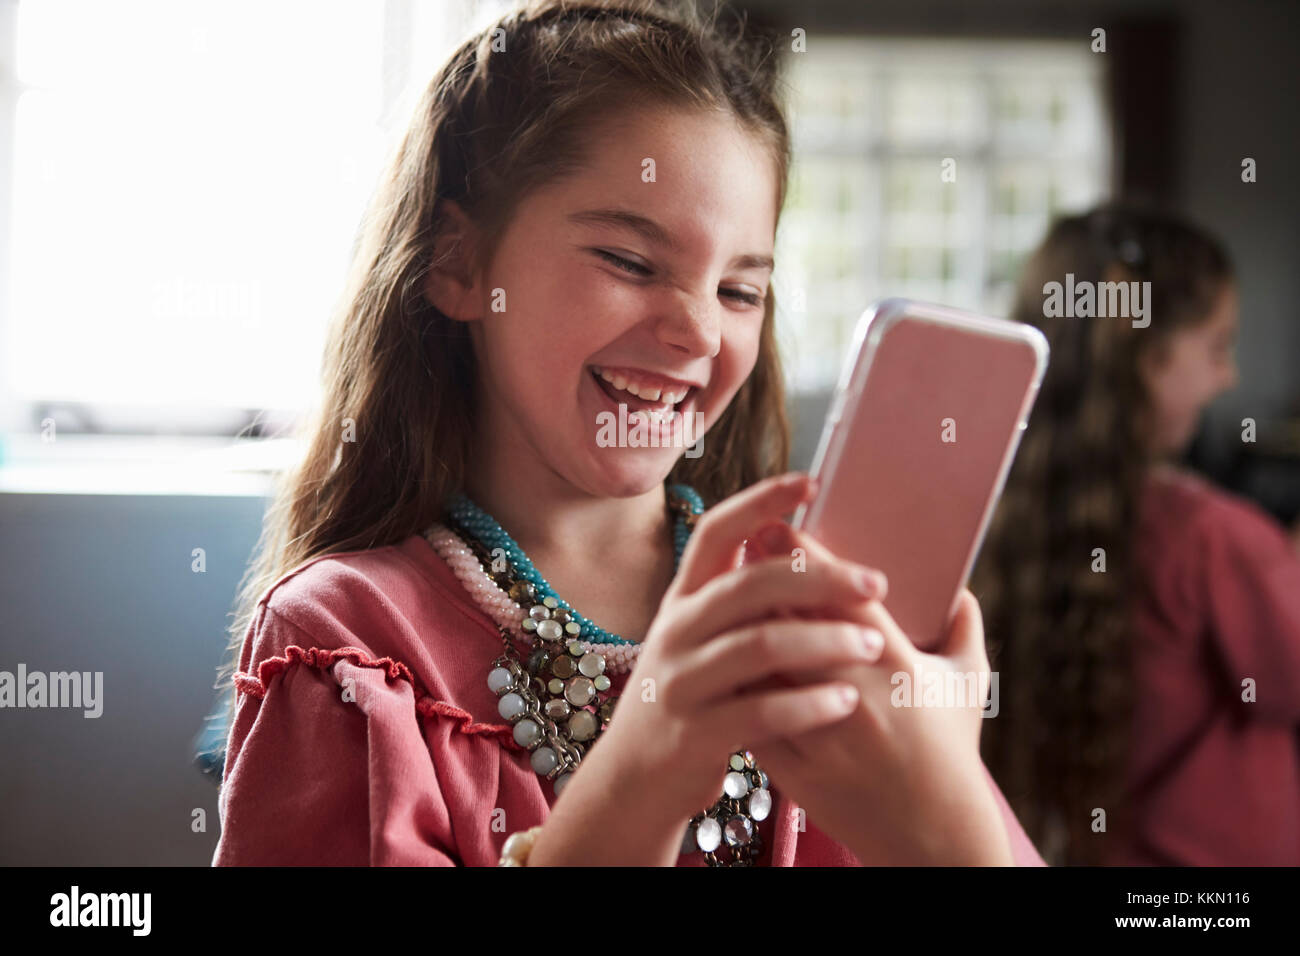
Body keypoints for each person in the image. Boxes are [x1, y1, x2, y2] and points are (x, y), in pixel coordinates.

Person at [212, 0, 1043, 867]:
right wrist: (645, 773)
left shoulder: (812, 619)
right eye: (631, 262)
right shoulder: (347, 640)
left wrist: (947, 820)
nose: (699, 333)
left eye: (740, 292)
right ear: (459, 264)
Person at [972, 204, 1300, 866]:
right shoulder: (1215, 539)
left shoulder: (1004, 517)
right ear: (1145, 356)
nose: (1228, 375)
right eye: (1217, 348)